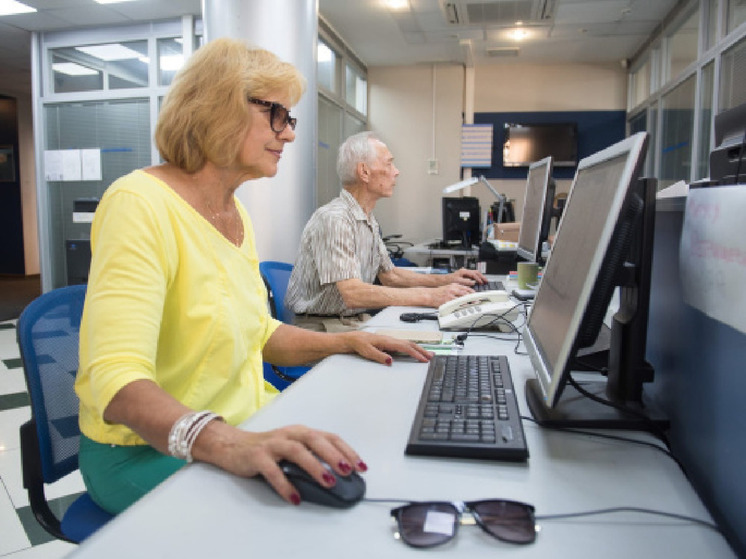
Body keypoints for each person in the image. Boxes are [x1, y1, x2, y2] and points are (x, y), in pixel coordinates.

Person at [74, 38, 432, 516]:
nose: (288, 134)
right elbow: (114, 380)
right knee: (307, 522)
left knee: (375, 451)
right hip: (145, 450)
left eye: (291, 119)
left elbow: (255, 333)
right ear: (218, 106)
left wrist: (349, 342)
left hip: (245, 420)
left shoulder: (234, 211)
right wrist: (226, 442)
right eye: (277, 114)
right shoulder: (138, 202)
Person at [286, 131, 488, 332]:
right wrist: (430, 296)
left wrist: (447, 280)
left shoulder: (367, 219)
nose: (396, 171)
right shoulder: (334, 219)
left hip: (351, 320)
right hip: (322, 328)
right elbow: (352, 293)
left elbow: (390, 276)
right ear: (364, 172)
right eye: (389, 163)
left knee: (424, 339)